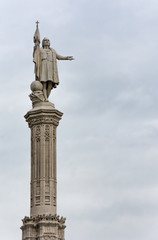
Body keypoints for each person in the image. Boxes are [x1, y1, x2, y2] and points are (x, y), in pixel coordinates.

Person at [33, 23, 74, 101]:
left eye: (48, 40)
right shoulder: (40, 50)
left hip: (51, 68)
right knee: (44, 84)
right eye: (45, 40)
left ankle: (45, 98)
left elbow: (59, 57)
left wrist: (66, 58)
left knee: (50, 84)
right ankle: (45, 99)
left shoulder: (53, 51)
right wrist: (36, 44)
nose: (47, 41)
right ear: (43, 42)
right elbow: (36, 51)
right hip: (44, 68)